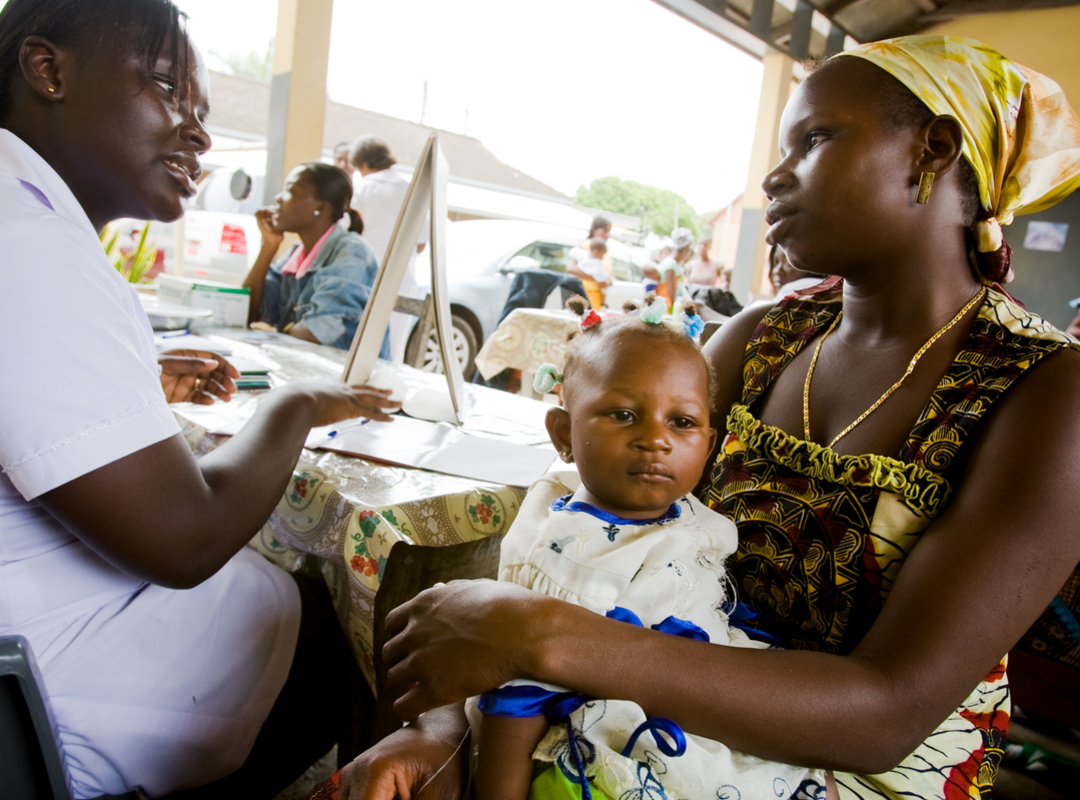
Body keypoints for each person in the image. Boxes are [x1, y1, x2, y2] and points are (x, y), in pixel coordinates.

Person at [336, 35, 1080, 800]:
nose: (775, 176)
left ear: (933, 149)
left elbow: (887, 713)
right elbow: (585, 533)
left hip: (861, 768)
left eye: (815, 139)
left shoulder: (1043, 389)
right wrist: (449, 725)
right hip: (652, 698)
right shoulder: (765, 337)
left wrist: (536, 636)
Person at [0, 2, 402, 797]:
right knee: (359, 633)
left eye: (203, 113)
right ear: (48, 71)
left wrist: (125, 380)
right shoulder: (28, 245)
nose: (198, 135)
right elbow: (185, 539)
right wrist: (296, 406)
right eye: (165, 88)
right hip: (39, 701)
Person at [471, 295, 822, 800]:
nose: (656, 438)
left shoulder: (690, 514)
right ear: (563, 433)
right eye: (623, 414)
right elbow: (516, 695)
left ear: (709, 443)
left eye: (682, 422)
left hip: (707, 704)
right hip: (622, 747)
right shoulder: (569, 553)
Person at [244, 161, 390, 356]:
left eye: (290, 191)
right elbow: (247, 311)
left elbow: (316, 330)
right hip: (301, 363)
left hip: (341, 371)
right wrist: (269, 246)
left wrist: (274, 333)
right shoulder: (295, 254)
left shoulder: (352, 252)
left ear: (320, 207)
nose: (278, 198)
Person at [349, 135, 428, 363]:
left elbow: (351, 233)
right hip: (403, 276)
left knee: (361, 341)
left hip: (366, 272)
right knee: (394, 347)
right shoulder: (412, 189)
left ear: (364, 164)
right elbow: (421, 244)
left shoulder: (364, 187)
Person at [567, 215, 614, 310]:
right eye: (605, 231)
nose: (607, 235)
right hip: (586, 296)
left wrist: (607, 280)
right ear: (595, 230)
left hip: (597, 298)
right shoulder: (587, 246)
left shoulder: (602, 249)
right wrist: (598, 279)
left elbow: (609, 276)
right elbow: (571, 268)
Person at [656, 227, 694, 310]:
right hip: (666, 308)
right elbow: (671, 293)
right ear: (686, 249)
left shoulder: (675, 263)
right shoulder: (670, 264)